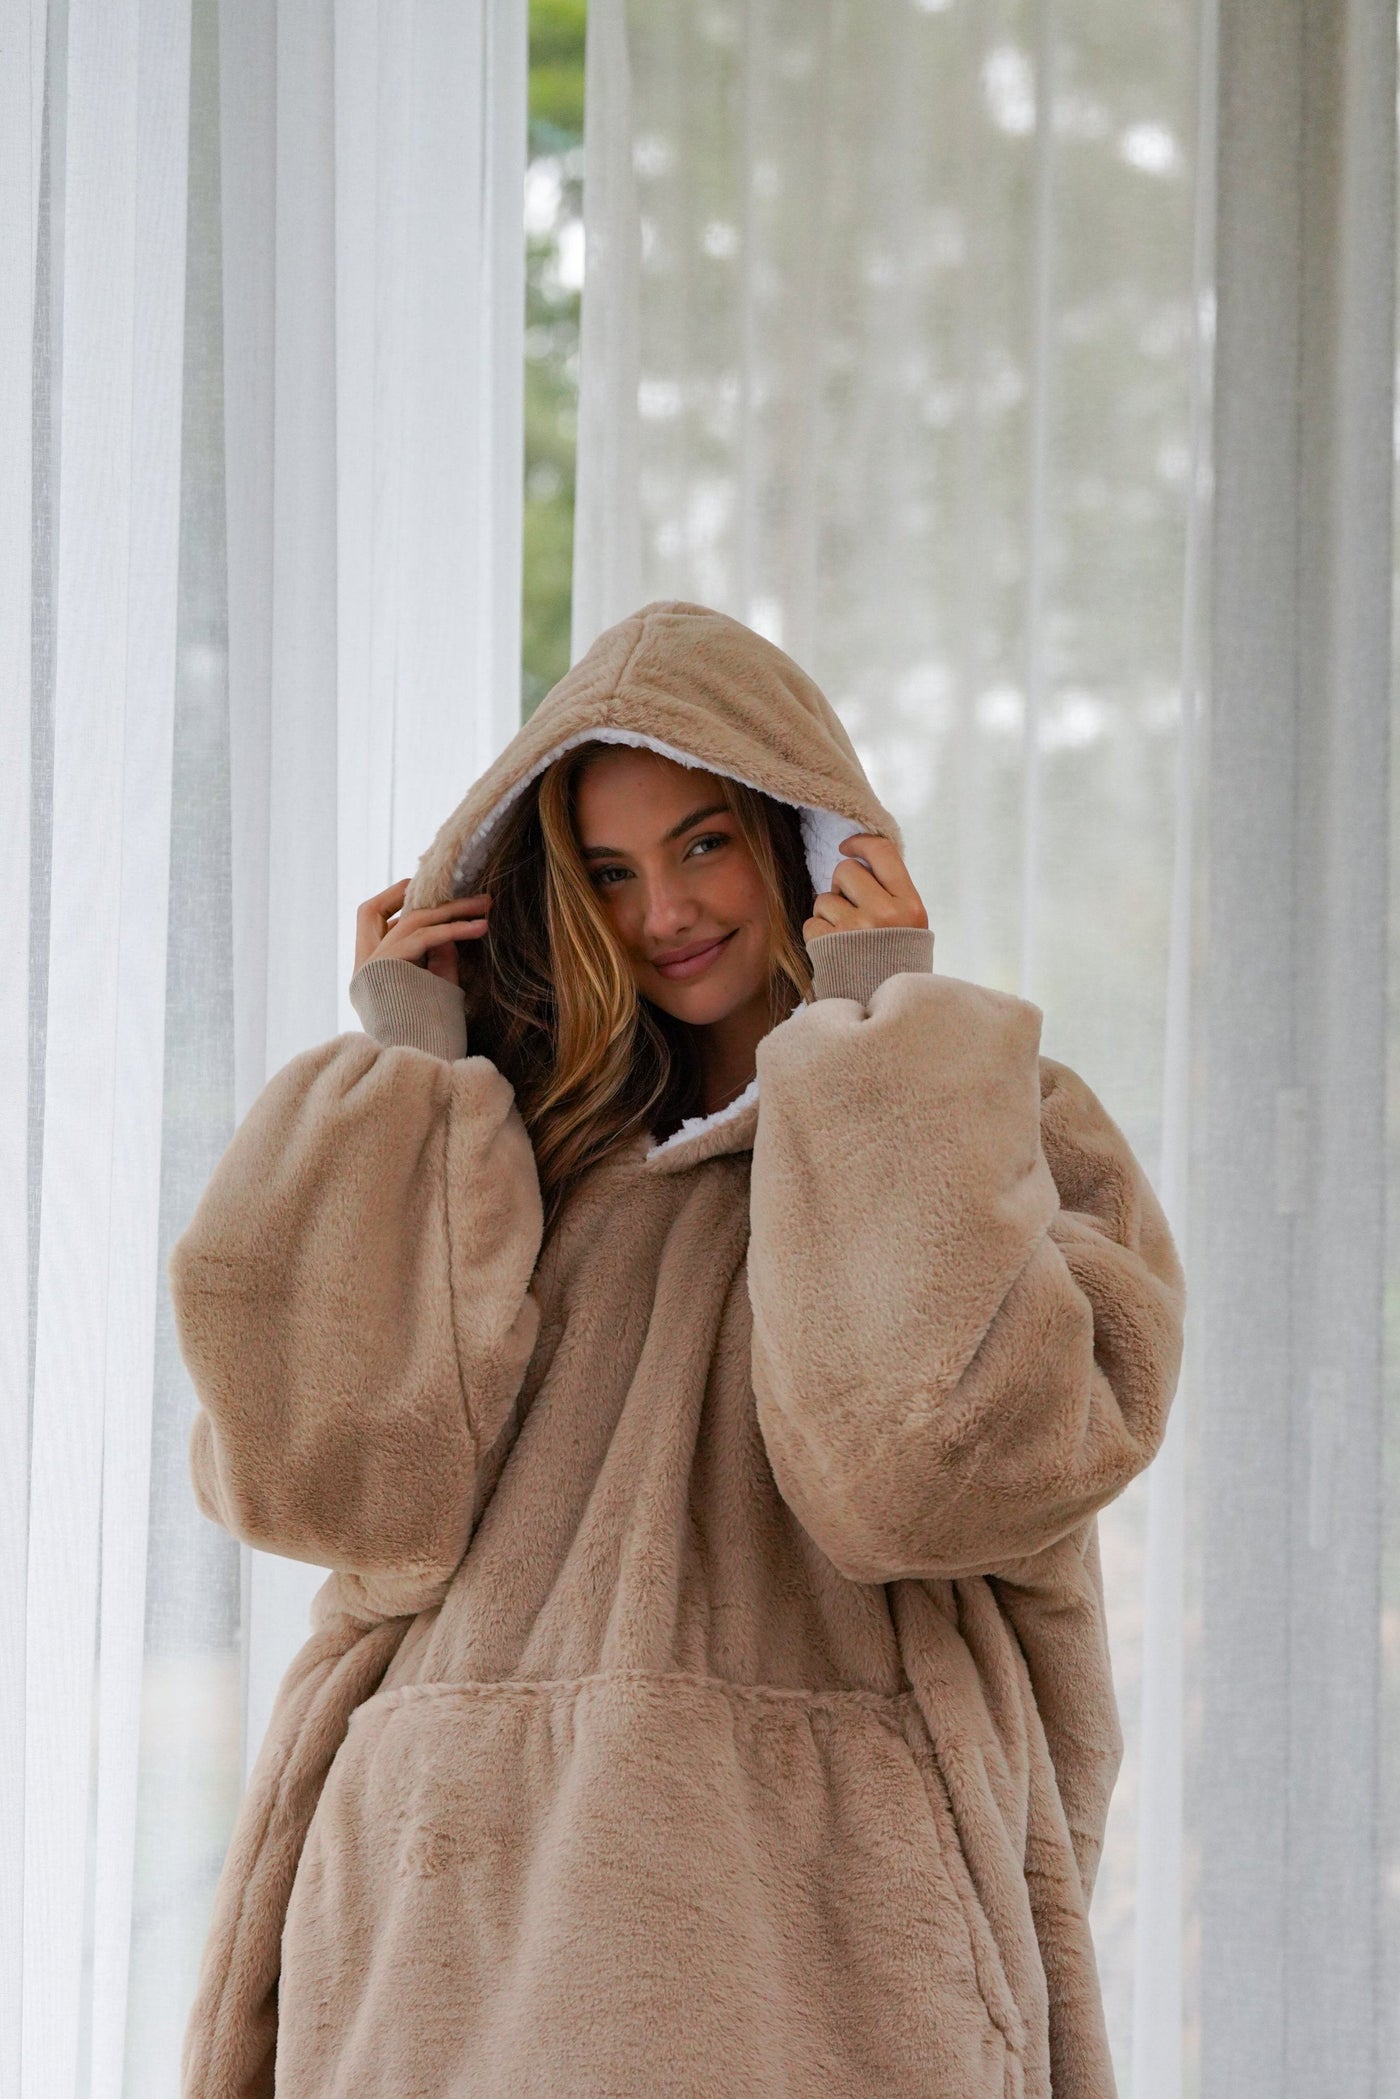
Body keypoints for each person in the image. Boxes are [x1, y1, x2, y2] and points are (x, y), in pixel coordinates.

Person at [172, 599, 1185, 2099]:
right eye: (608, 871)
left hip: (815, 1919)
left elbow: (933, 1480)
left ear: (802, 841)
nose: (664, 912)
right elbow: (332, 1487)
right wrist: (409, 1077)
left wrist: (878, 1037)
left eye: (704, 844)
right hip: (451, 1904)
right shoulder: (509, 1155)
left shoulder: (994, 1120)